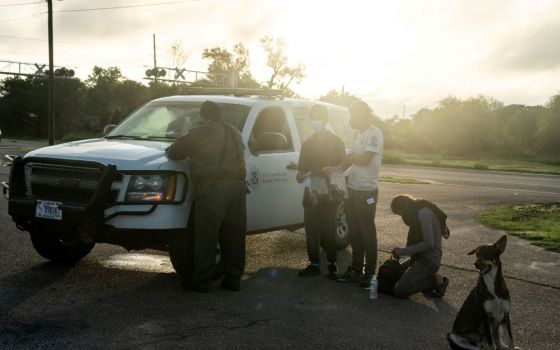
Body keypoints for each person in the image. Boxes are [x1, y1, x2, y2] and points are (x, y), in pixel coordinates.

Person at [167, 100, 247, 293]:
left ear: (203, 115)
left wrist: (169, 148)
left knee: (206, 237)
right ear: (219, 113)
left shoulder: (201, 131)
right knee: (234, 237)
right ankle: (233, 280)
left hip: (213, 189)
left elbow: (176, 151)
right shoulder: (235, 132)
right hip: (238, 188)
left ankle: (201, 281)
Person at [324, 101, 383, 287]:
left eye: (353, 115)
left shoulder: (375, 133)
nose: (350, 119)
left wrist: (349, 159)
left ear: (363, 115)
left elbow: (365, 159)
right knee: (355, 232)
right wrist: (335, 169)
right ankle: (356, 269)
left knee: (367, 233)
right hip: (353, 189)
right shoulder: (358, 135)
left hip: (367, 191)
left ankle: (369, 273)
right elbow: (348, 162)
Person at [296, 104, 346, 278]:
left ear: (325, 119)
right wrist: (300, 176)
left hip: (330, 194)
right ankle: (314, 264)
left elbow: (344, 167)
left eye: (316, 118)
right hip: (311, 193)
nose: (314, 122)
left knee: (330, 230)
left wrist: (333, 169)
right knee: (311, 230)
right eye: (312, 119)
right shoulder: (307, 144)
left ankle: (333, 265)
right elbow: (301, 170)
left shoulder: (337, 142)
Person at [390, 194, 450, 298]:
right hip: (419, 256)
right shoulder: (417, 211)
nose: (403, 217)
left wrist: (403, 251)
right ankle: (423, 278)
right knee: (393, 276)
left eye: (401, 214)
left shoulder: (423, 213)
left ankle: (435, 280)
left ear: (405, 207)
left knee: (400, 290)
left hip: (429, 259)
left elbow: (428, 244)